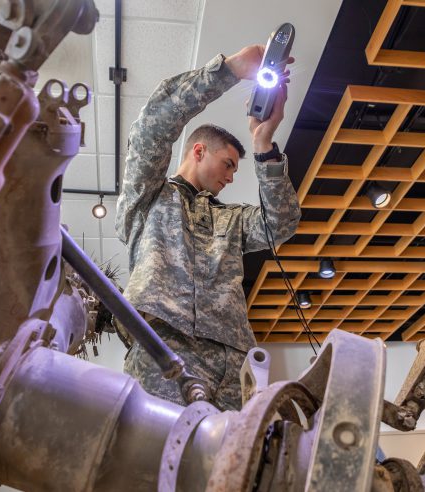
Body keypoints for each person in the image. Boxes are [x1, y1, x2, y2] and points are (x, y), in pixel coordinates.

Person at [115, 44, 300, 411]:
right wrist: (229, 70)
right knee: (158, 458)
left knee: (233, 465)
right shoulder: (149, 197)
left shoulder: (229, 219)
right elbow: (155, 124)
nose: (232, 177)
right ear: (198, 152)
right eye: (228, 164)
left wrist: (263, 144)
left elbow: (281, 223)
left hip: (235, 364)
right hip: (164, 348)